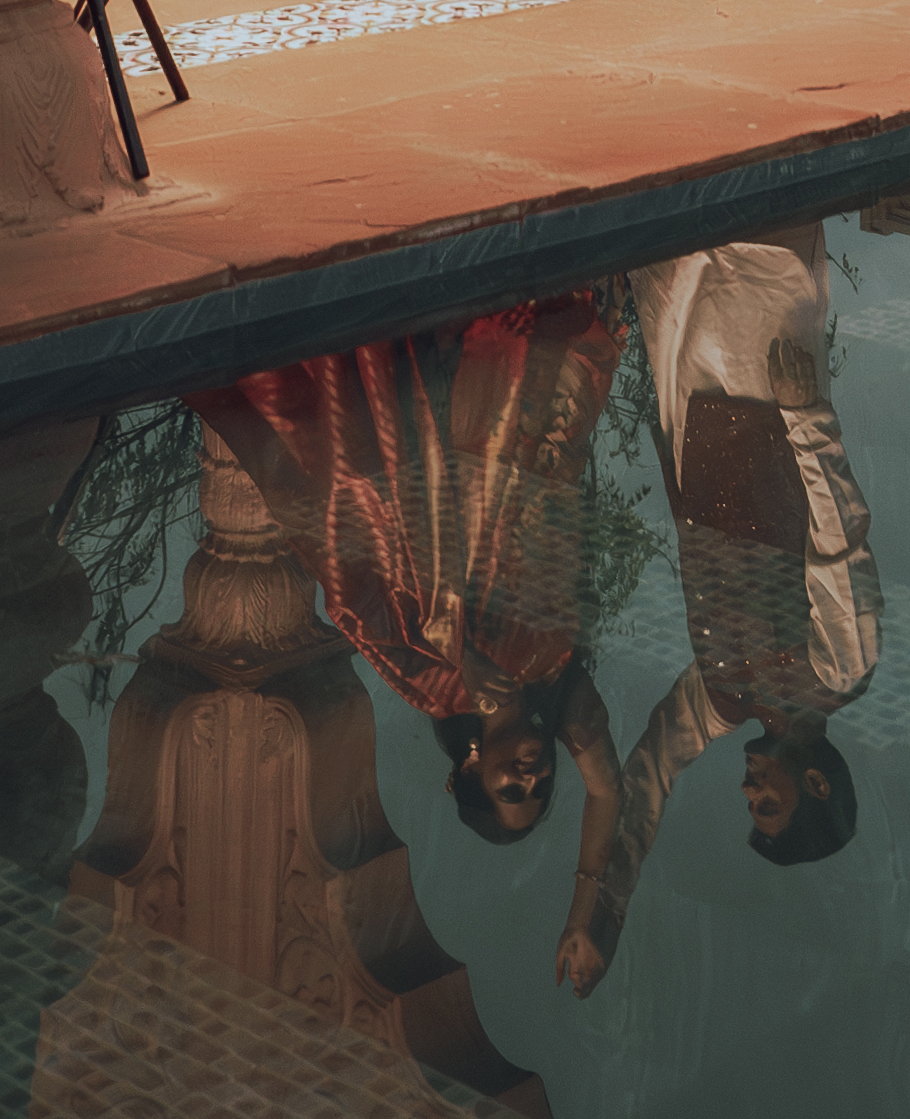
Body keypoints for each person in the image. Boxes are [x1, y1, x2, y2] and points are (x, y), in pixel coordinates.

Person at [215, 293, 648, 987]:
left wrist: (462, 652)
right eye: (540, 786)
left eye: (512, 786)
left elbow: (355, 604)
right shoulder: (561, 693)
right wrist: (587, 915)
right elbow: (609, 794)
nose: (532, 774)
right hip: (538, 433)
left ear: (473, 772)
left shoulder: (433, 687)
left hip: (467, 444)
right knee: (556, 304)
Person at [606, 224, 872, 953]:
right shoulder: (840, 671)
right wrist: (809, 419)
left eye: (750, 806)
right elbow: (839, 539)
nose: (749, 792)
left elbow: (651, 767)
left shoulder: (724, 697)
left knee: (672, 256)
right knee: (755, 248)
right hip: (767, 407)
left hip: (691, 429)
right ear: (814, 786)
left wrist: (606, 903)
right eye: (768, 804)